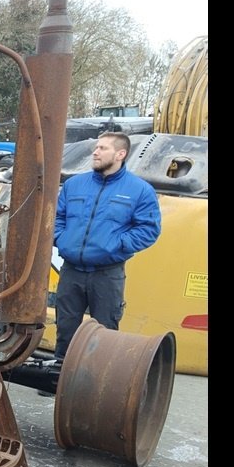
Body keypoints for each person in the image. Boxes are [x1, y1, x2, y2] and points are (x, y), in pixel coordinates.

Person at [52, 132, 161, 361]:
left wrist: (116, 246)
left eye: (103, 148)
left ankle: (96, 379)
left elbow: (148, 230)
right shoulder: (74, 185)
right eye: (96, 147)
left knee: (105, 334)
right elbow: (57, 218)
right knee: (65, 329)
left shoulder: (139, 190)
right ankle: (60, 373)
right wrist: (62, 239)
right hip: (71, 271)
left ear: (120, 154)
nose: (95, 152)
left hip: (107, 275)